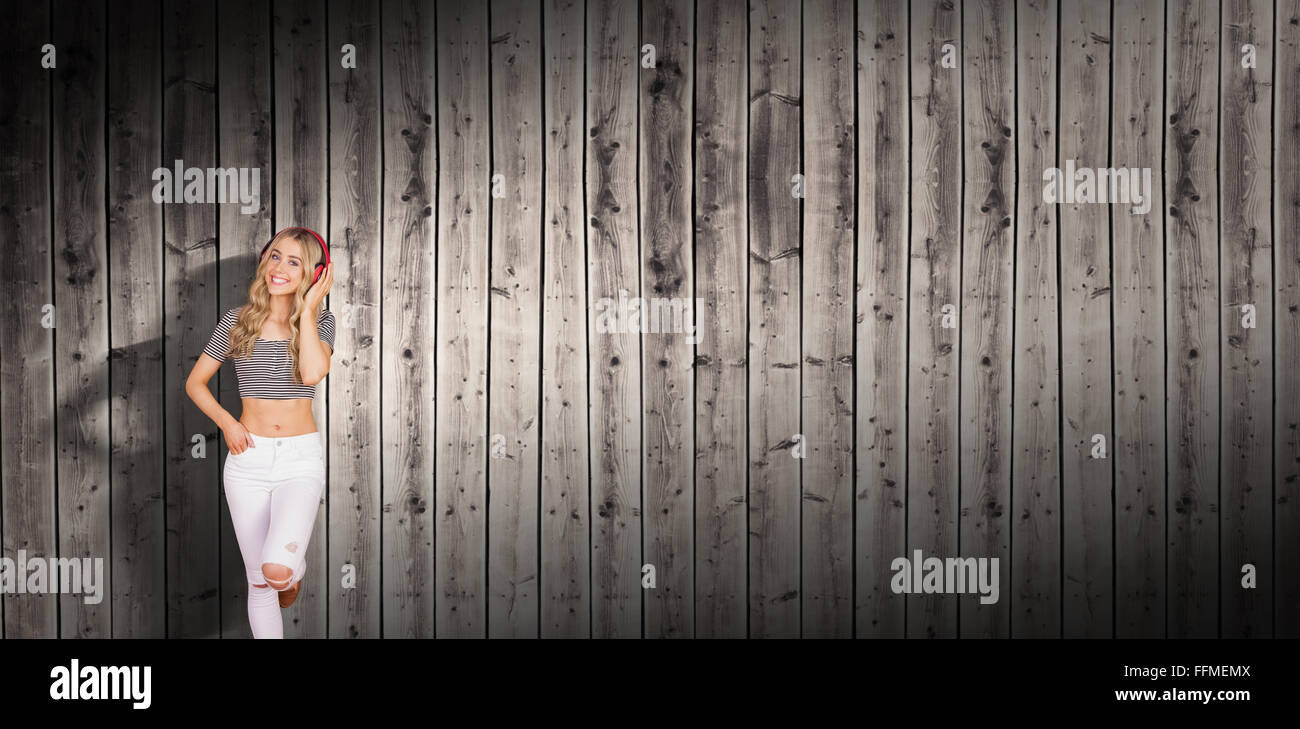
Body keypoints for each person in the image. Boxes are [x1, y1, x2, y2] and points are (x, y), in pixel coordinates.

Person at [184, 227, 335, 638]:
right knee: (259, 582)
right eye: (274, 256)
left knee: (277, 571)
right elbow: (195, 383)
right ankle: (284, 578)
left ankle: (292, 571)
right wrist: (228, 422)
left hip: (299, 461)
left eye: (294, 261)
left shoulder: (321, 322)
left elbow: (312, 373)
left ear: (314, 273)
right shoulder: (237, 321)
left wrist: (307, 311)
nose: (280, 268)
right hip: (247, 462)